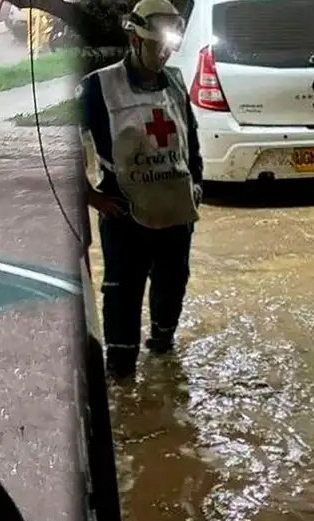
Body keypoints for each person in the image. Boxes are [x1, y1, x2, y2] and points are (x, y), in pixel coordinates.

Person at [78, 0, 203, 380]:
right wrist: (90, 196)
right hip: (124, 215)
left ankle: (163, 356)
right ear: (134, 41)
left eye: (168, 47)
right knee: (122, 298)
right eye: (156, 46)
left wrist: (197, 183)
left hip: (176, 212)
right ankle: (122, 377)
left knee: (172, 287)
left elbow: (190, 140)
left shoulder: (175, 83)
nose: (164, 54)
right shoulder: (99, 88)